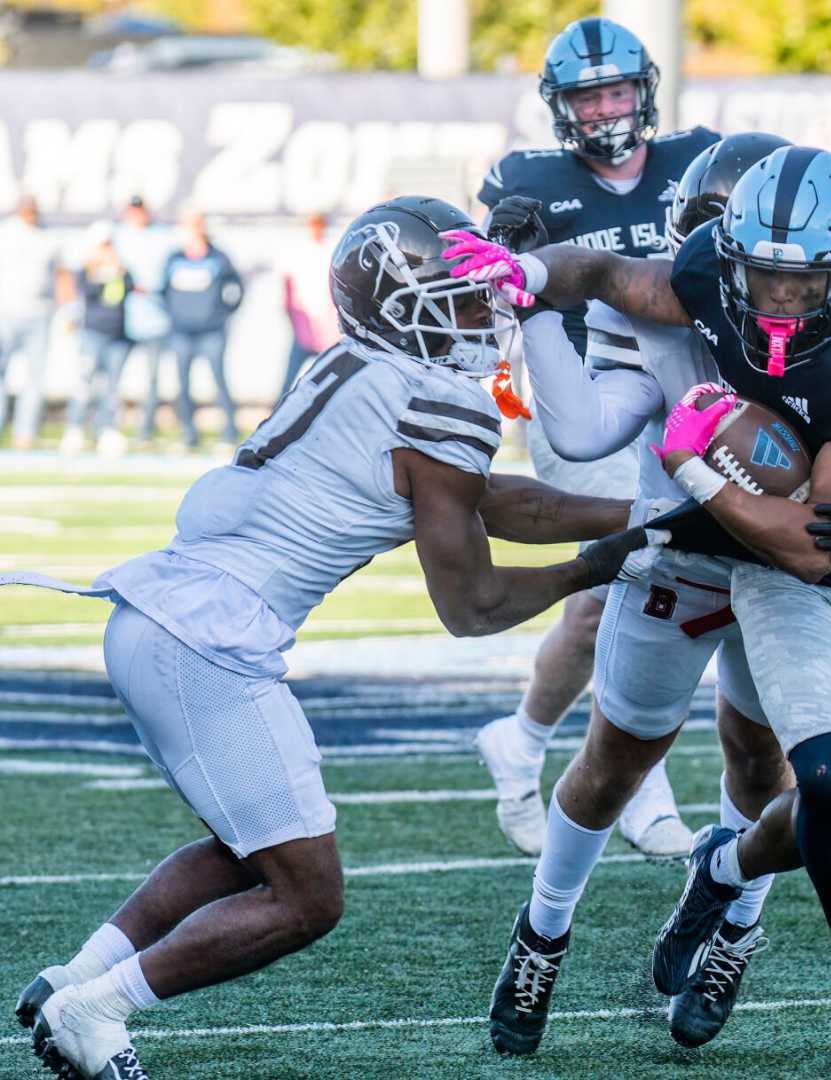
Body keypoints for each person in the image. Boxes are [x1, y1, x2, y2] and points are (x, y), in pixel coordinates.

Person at [10, 195, 660, 1080]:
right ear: (404, 309)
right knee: (307, 898)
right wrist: (602, 564)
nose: (485, 310)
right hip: (210, 643)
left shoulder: (360, 367)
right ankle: (98, 1009)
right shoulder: (437, 401)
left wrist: (649, 515)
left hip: (159, 618)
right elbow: (472, 606)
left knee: (251, 850)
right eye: (460, 296)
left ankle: (71, 981)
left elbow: (499, 500)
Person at [468, 134, 831, 1059]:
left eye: (796, 277)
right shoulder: (688, 289)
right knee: (617, 757)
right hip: (681, 555)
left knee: (766, 768)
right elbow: (585, 421)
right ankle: (542, 936)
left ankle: (731, 924)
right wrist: (534, 294)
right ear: (704, 242)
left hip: (775, 555)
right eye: (736, 256)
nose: (772, 296)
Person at [470, 16, 721, 858]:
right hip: (587, 395)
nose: (606, 108)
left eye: (616, 89)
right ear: (558, 106)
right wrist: (502, 244)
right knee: (634, 575)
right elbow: (492, 286)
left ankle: (523, 739)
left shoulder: (703, 158)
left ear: (643, 91)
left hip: (693, 394)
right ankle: (645, 786)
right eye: (588, 95)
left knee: (596, 611)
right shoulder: (529, 179)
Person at [163, 210, 244, 450]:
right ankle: (188, 433)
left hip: (211, 331)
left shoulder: (218, 258)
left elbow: (236, 289)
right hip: (182, 330)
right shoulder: (174, 258)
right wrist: (174, 315)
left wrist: (222, 313)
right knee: (183, 383)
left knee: (219, 380)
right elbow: (163, 291)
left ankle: (229, 432)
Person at [60, 224, 134, 457]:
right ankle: (75, 428)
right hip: (92, 333)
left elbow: (129, 289)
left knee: (111, 387)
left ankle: (106, 430)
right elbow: (87, 292)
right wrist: (101, 273)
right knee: (85, 383)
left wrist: (116, 271)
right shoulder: (86, 270)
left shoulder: (122, 270)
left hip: (117, 335)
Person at [0, 195, 63, 448]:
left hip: (39, 313)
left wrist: (66, 311)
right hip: (6, 312)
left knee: (35, 377)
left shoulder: (47, 238)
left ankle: (25, 433)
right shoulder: (5, 233)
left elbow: (61, 276)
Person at [112, 195, 176, 444]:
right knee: (113, 376)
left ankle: (145, 430)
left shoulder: (162, 237)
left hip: (155, 317)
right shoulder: (118, 235)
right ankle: (109, 427)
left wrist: (152, 288)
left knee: (151, 378)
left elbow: (169, 274)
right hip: (122, 317)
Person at [277, 212, 339, 398]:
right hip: (303, 323)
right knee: (289, 379)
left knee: (332, 377)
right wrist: (293, 320)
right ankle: (278, 416)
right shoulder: (297, 252)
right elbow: (287, 289)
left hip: (327, 327)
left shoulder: (330, 250)